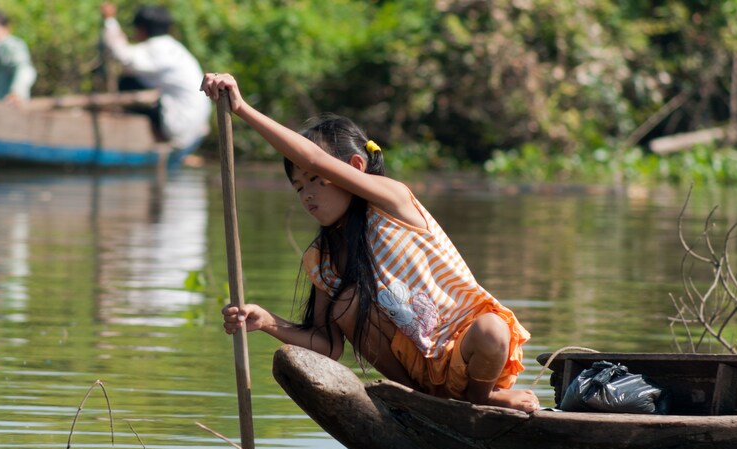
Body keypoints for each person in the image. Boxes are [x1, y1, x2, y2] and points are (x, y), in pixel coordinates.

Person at [201, 73, 540, 413]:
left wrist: (242, 108)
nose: (308, 195)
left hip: (468, 354)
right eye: (299, 187)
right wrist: (266, 321)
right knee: (346, 302)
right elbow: (327, 345)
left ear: (355, 168)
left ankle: (481, 402)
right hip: (416, 370)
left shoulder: (392, 201)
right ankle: (417, 402)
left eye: (315, 180)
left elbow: (315, 157)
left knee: (492, 329)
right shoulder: (324, 257)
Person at [100, 3, 211, 158]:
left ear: (142, 29)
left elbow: (123, 55)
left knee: (126, 84)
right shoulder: (174, 48)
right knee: (134, 83)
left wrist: (110, 20)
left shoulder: (157, 49)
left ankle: (151, 139)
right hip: (196, 125)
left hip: (180, 125)